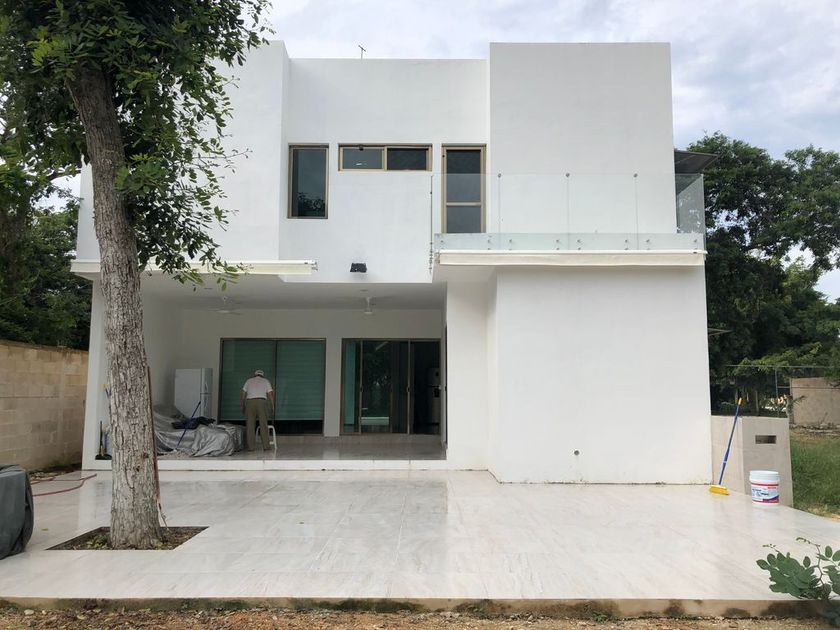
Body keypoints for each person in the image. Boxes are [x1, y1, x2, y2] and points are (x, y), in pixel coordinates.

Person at [240, 369, 275, 451]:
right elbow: (270, 394)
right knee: (263, 424)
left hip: (250, 402)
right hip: (261, 402)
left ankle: (251, 447)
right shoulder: (266, 381)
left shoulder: (248, 381)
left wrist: (243, 405)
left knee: (250, 425)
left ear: (255, 375)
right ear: (262, 375)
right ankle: (266, 446)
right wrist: (273, 406)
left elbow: (243, 393)